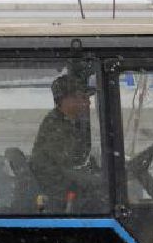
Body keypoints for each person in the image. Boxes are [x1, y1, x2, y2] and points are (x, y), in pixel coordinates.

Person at [29, 71, 101, 210]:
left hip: (62, 186)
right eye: (83, 97)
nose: (88, 101)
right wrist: (97, 181)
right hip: (56, 191)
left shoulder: (70, 123)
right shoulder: (56, 127)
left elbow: (78, 163)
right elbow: (66, 169)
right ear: (66, 100)